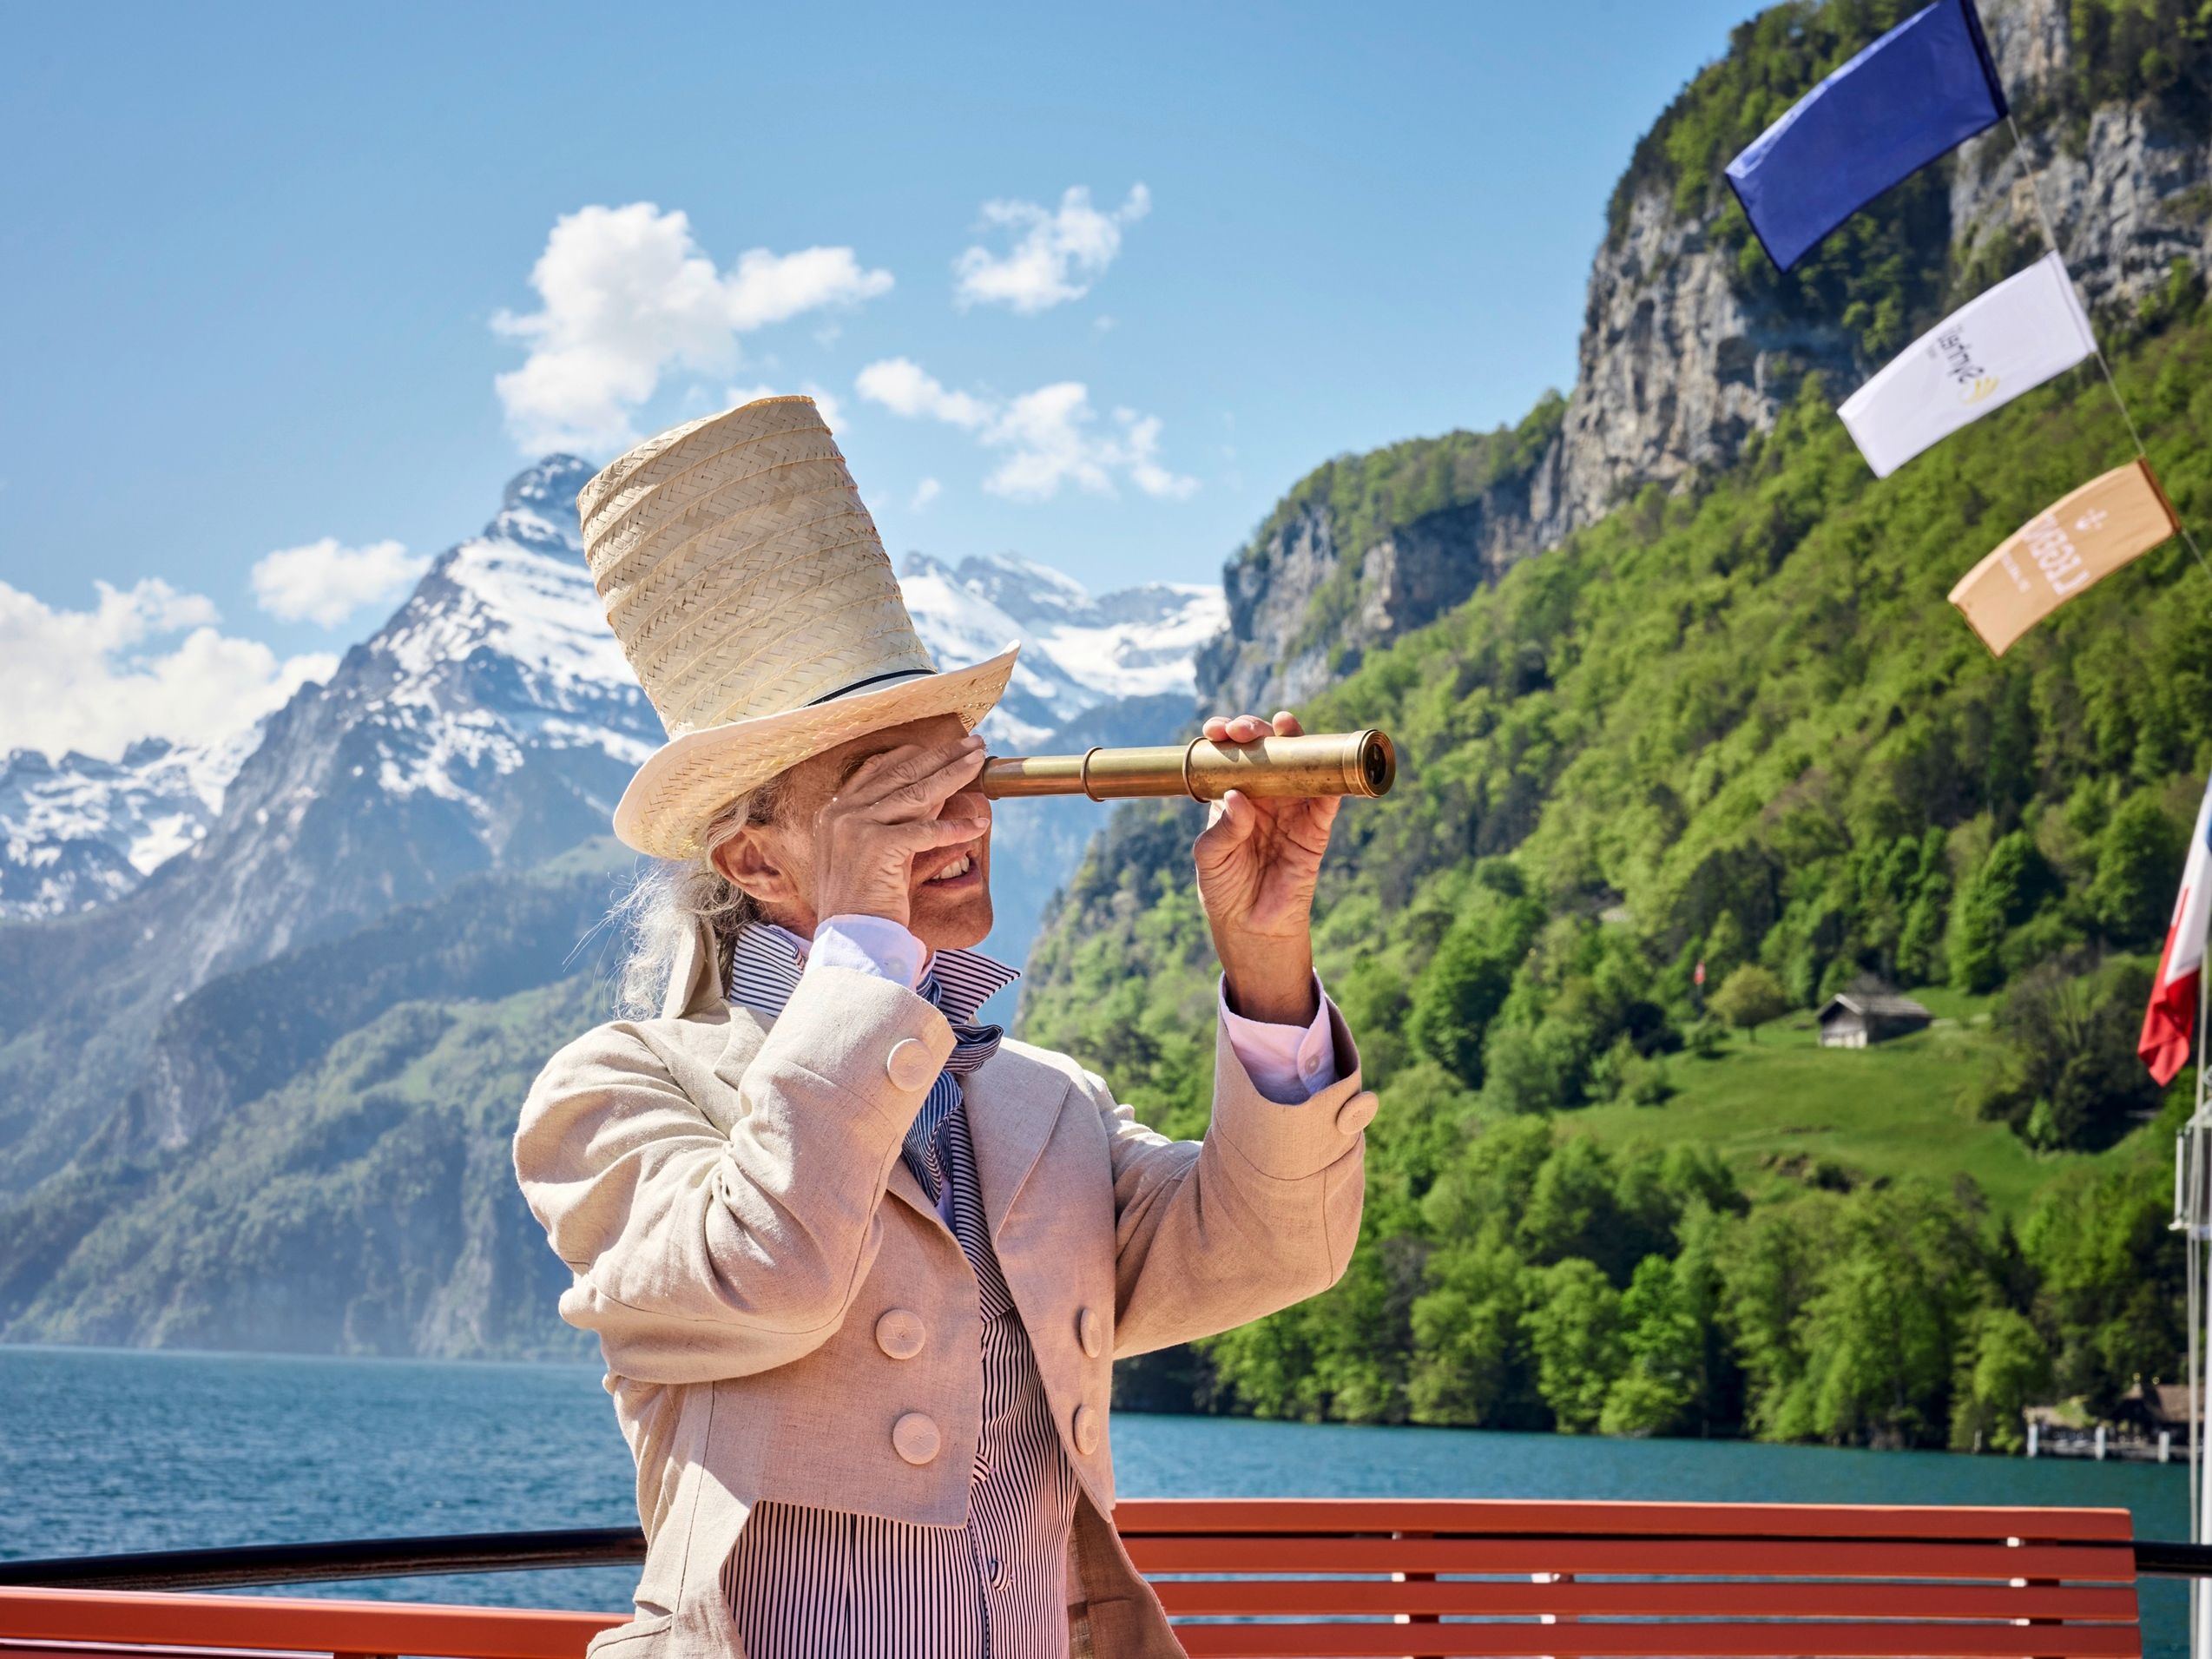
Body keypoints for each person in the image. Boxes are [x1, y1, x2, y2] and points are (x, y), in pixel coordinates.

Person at [513, 395, 1374, 1659]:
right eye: (893, 799)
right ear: (755, 858)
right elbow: (767, 1279)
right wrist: (869, 946)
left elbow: (1276, 1249)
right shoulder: (616, 1092)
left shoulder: (1042, 1105)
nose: (962, 821)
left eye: (963, 775)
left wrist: (1265, 955)